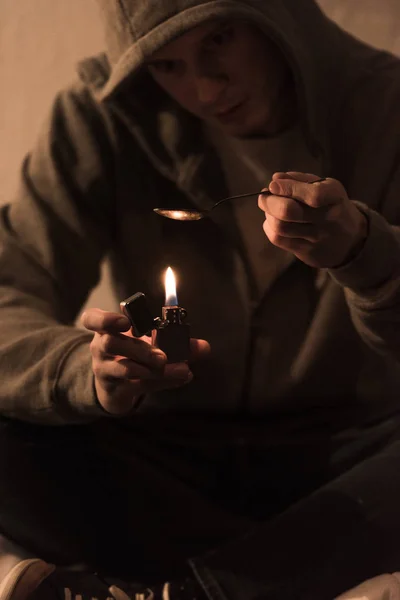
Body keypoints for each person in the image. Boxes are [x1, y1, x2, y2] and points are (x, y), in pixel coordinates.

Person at [0, 0, 400, 598]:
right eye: (167, 67)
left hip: (344, 471)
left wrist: (365, 255)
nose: (206, 87)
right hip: (163, 461)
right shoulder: (104, 116)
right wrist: (82, 371)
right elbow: (10, 288)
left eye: (221, 39)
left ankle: (191, 593)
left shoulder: (386, 109)